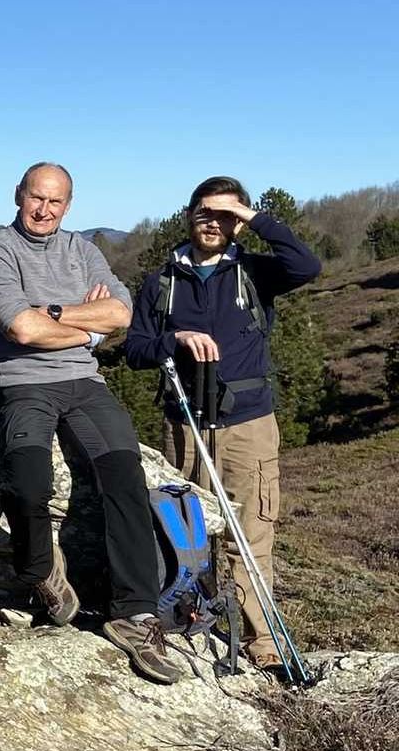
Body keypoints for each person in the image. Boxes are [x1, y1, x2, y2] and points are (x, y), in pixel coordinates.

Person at [0, 162, 185, 685]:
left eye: (55, 202)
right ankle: (43, 569)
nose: (43, 210)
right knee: (26, 481)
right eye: (35, 198)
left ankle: (134, 613)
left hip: (85, 386)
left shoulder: (84, 250)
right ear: (18, 195)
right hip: (21, 384)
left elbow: (122, 314)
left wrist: (56, 315)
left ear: (68, 206)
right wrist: (86, 329)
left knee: (125, 476)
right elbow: (21, 329)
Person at [124, 176, 321, 672]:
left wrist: (252, 217)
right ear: (188, 215)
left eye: (226, 215)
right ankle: (188, 621)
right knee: (183, 534)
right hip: (183, 424)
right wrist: (176, 339)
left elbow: (307, 265)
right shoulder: (162, 281)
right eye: (204, 212)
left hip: (247, 426)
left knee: (249, 536)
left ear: (239, 221)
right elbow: (135, 351)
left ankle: (262, 646)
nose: (213, 222)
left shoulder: (254, 271)